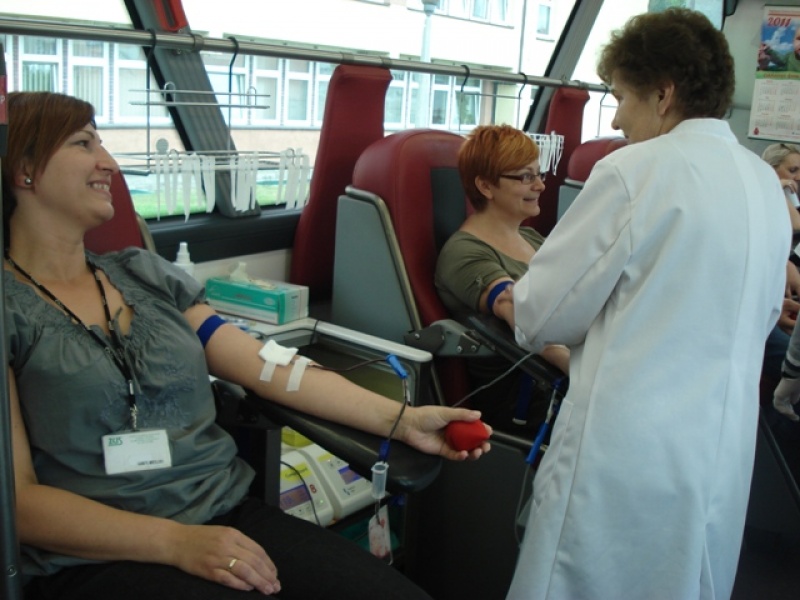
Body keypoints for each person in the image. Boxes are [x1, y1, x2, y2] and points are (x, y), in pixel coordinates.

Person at [2, 91, 491, 600]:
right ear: (24, 168)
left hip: (226, 514)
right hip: (99, 554)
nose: (108, 162)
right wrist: (177, 543)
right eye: (84, 144)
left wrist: (403, 421)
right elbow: (18, 502)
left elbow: (267, 366)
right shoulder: (9, 309)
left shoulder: (143, 276)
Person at [499, 9, 791, 599]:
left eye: (621, 97)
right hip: (720, 454)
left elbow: (540, 316)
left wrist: (514, 298)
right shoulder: (764, 183)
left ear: (663, 94)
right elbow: (759, 317)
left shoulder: (633, 172)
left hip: (623, 456)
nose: (616, 118)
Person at [434, 124, 569, 427]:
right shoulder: (464, 252)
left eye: (539, 174)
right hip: (528, 397)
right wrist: (586, 373)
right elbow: (517, 310)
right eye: (526, 177)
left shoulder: (532, 238)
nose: (540, 186)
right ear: (486, 187)